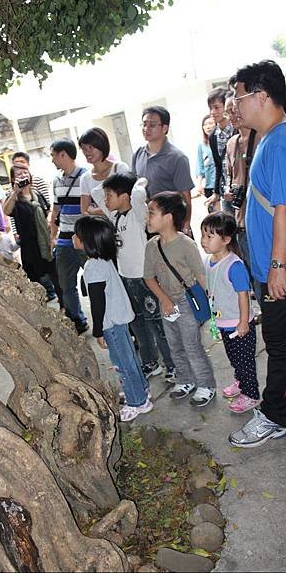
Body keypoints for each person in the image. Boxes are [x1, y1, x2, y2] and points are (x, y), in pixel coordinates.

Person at [227, 60, 286, 447]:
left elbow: (284, 208)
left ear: (261, 96)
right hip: (270, 264)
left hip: (277, 267)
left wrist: (279, 265)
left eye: (239, 96)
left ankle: (273, 416)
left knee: (279, 346)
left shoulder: (279, 141)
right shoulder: (268, 139)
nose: (236, 105)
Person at [90, 172, 175, 381]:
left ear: (125, 197)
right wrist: (112, 187)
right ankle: (150, 362)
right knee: (137, 323)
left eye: (110, 195)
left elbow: (138, 194)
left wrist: (138, 180)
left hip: (144, 279)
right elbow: (94, 192)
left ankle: (172, 365)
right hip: (126, 279)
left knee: (156, 323)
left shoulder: (138, 215)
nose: (105, 200)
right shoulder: (115, 217)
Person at [73, 215, 153, 422]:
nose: (73, 237)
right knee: (130, 359)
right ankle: (141, 389)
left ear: (87, 241)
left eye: (77, 235)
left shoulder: (94, 267)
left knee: (122, 363)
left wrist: (98, 331)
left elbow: (98, 303)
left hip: (111, 323)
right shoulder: (102, 261)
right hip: (120, 318)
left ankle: (138, 402)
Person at [144, 192, 216, 407]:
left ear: (168, 218)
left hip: (186, 301)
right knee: (174, 346)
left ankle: (206, 384)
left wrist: (212, 303)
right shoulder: (151, 246)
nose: (147, 217)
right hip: (166, 303)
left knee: (192, 345)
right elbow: (148, 277)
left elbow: (201, 276)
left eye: (151, 213)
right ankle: (185, 379)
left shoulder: (186, 245)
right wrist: (164, 299)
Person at [201, 212, 260, 413]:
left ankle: (250, 394)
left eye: (210, 236)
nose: (204, 240)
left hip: (239, 324)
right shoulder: (209, 261)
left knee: (245, 361)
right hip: (224, 322)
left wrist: (244, 322)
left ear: (226, 239)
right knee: (234, 358)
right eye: (203, 235)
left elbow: (243, 296)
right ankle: (241, 381)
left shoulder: (234, 265)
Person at [3, 162, 63, 306]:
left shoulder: (37, 193)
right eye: (18, 174)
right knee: (35, 282)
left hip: (46, 243)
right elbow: (6, 211)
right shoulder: (14, 199)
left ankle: (67, 310)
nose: (23, 175)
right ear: (13, 179)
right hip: (30, 247)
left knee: (58, 280)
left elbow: (48, 211)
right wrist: (15, 192)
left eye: (25, 172)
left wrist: (50, 221)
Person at [222, 93, 261, 302]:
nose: (232, 113)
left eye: (235, 107)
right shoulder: (231, 144)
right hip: (241, 217)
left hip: (263, 214)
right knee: (252, 266)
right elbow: (231, 176)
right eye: (228, 111)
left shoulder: (263, 136)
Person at [131, 106, 194, 236]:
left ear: (164, 128)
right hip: (147, 223)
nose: (146, 129)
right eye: (144, 124)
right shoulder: (138, 154)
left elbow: (186, 196)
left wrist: (185, 226)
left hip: (172, 224)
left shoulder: (177, 157)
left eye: (152, 125)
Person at [50, 139, 89, 334]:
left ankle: (106, 317)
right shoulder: (56, 181)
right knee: (66, 285)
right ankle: (77, 320)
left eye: (53, 155)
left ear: (63, 154)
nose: (52, 160)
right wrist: (52, 236)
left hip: (84, 239)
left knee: (95, 281)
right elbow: (55, 210)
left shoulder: (86, 177)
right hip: (64, 240)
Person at [79, 127, 129, 216]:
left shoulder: (120, 168)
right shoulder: (85, 178)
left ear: (101, 146)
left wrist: (94, 211)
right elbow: (84, 210)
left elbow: (127, 202)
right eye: (83, 148)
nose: (87, 151)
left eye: (90, 147)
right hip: (101, 228)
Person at [207, 87, 234, 213]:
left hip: (240, 188)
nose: (212, 112)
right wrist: (217, 192)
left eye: (216, 107)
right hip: (225, 192)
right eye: (210, 108)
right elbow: (218, 165)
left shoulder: (237, 129)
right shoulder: (213, 135)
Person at [195, 115, 216, 212]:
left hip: (221, 184)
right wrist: (199, 184)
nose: (208, 127)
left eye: (210, 123)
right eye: (205, 124)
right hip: (209, 185)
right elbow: (200, 166)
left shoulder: (220, 140)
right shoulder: (201, 145)